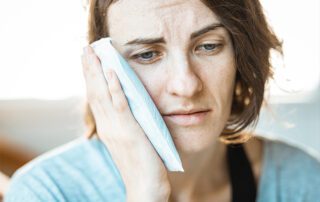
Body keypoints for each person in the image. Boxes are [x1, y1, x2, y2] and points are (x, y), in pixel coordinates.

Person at [4, 0, 320, 201]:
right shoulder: (46, 192)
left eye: (208, 46)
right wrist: (146, 194)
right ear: (103, 69)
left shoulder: (301, 180)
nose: (186, 85)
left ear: (242, 55)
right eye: (147, 54)